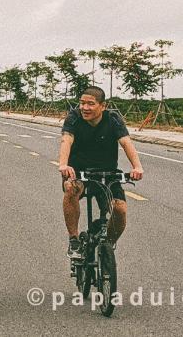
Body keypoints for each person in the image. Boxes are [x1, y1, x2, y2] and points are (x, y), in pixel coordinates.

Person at [58, 86, 144, 259]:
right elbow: (66, 140)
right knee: (70, 189)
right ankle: (74, 240)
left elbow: (126, 142)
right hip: (79, 172)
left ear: (102, 106)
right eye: (82, 103)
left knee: (120, 209)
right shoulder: (74, 117)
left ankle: (108, 244)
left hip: (108, 173)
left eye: (90, 104)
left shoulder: (112, 118)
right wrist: (63, 165)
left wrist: (137, 167)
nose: (85, 108)